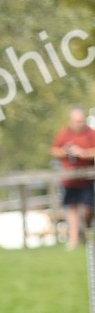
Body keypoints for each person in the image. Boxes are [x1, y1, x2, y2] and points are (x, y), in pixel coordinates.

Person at [50, 107, 95, 250]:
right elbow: (54, 150)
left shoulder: (90, 133)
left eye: (81, 121)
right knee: (71, 208)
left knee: (88, 208)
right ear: (71, 121)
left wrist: (83, 153)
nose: (79, 124)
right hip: (69, 179)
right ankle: (73, 240)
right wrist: (65, 151)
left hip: (86, 178)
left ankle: (85, 231)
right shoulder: (64, 133)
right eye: (76, 121)